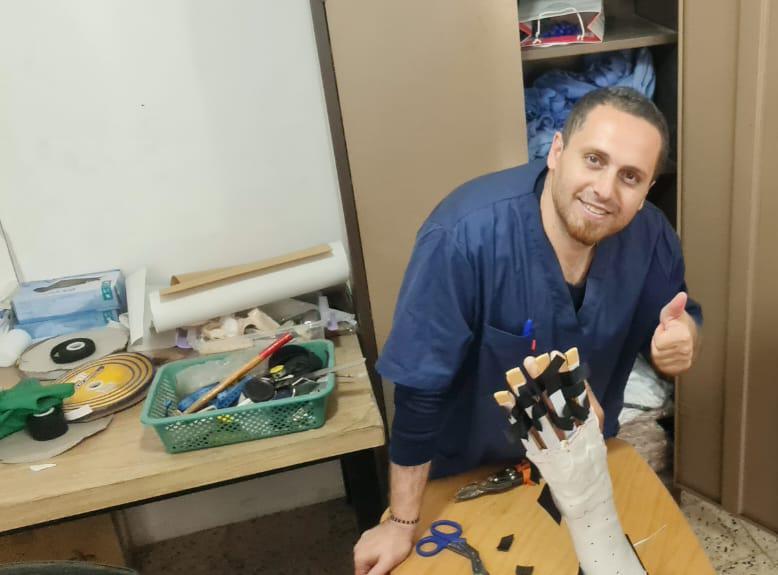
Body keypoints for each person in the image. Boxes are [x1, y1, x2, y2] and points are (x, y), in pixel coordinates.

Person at [353, 87, 702, 575]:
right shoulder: (464, 236)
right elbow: (419, 389)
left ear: (647, 191)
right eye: (594, 160)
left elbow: (678, 315)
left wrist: (680, 338)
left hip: (583, 466)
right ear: (557, 152)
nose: (605, 189)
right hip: (467, 470)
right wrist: (402, 519)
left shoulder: (651, 237)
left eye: (630, 177)